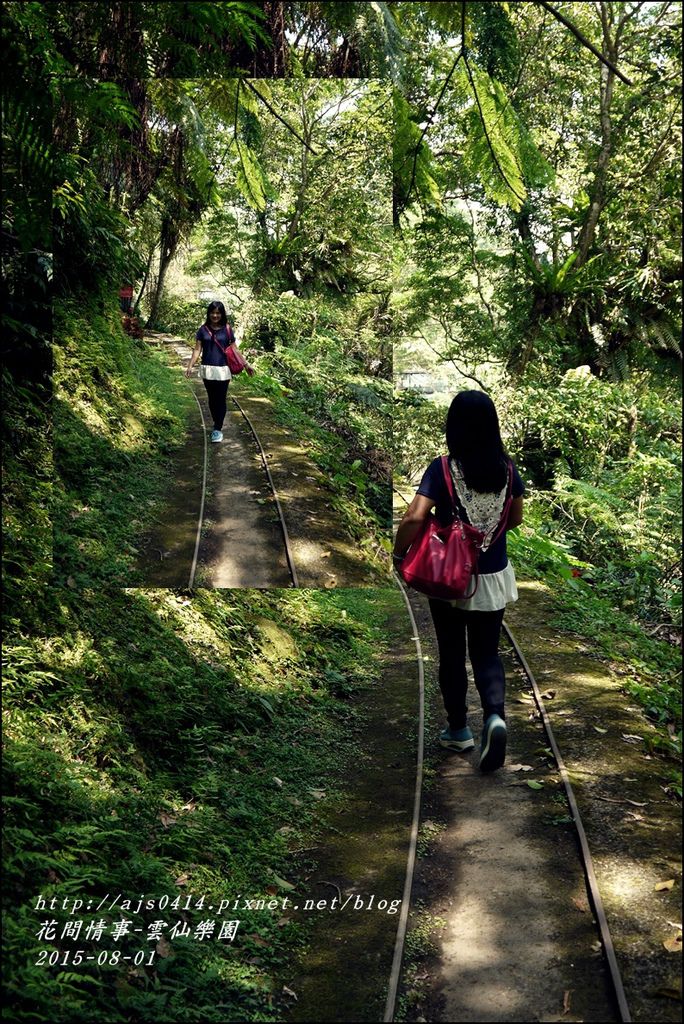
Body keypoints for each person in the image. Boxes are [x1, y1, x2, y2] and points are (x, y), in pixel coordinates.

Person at [393, 390, 524, 772]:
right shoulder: (508, 468)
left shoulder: (443, 468)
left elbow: (415, 517)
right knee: (487, 653)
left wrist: (400, 554)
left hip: (449, 577)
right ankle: (495, 717)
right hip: (493, 575)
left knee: (451, 651)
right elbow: (515, 518)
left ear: (455, 427)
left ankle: (458, 730)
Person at [185, 301, 254, 442]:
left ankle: (217, 428)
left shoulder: (227, 329)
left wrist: (246, 365)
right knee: (212, 398)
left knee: (220, 398)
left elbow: (234, 349)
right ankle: (216, 423)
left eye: (218, 313)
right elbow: (197, 349)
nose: (215, 315)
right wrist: (190, 365)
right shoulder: (202, 330)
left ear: (222, 314)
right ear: (209, 313)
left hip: (223, 370)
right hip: (207, 369)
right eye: (213, 312)